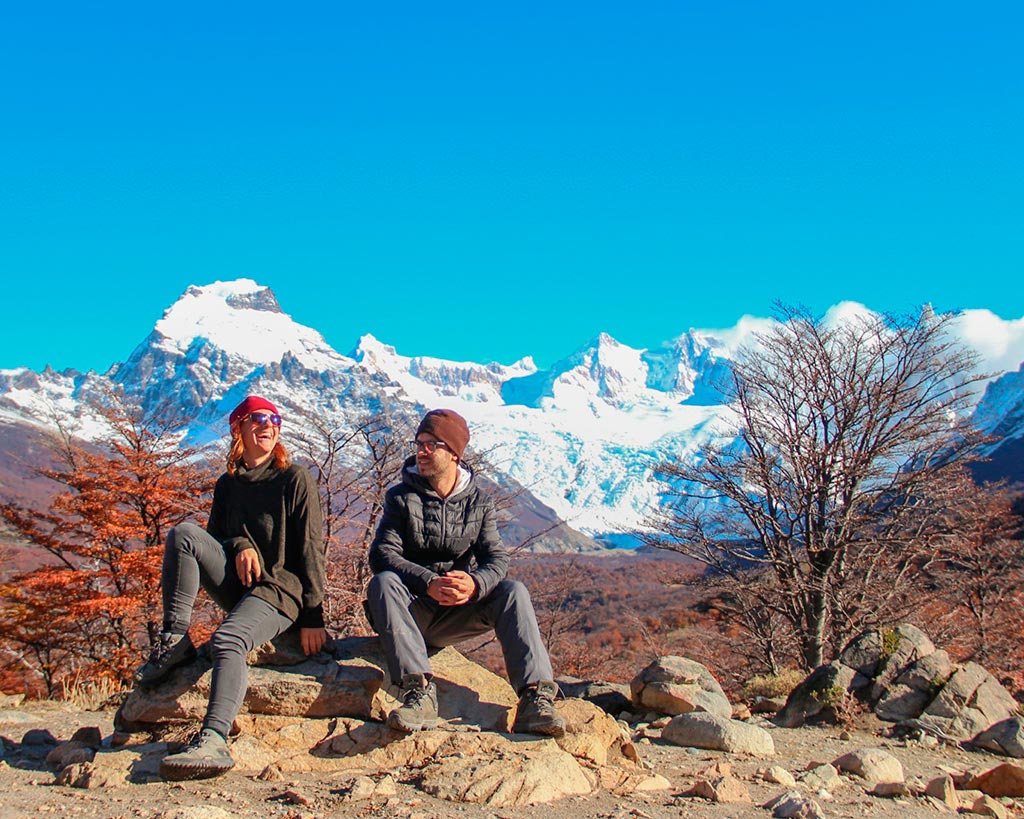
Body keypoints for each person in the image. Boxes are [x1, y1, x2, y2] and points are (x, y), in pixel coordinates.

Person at [134, 395, 327, 780]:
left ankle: (214, 739)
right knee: (184, 534)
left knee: (227, 641)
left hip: (279, 592)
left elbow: (310, 547)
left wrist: (313, 616)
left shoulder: (294, 478)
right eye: (258, 418)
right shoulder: (229, 483)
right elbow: (216, 537)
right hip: (240, 584)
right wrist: (238, 545)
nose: (268, 425)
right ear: (238, 427)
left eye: (274, 419)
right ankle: (174, 642)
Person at [366, 408, 566, 737]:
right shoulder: (400, 498)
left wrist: (475, 584)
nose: (422, 450)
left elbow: (496, 559)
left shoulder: (479, 503)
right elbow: (382, 554)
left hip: (454, 612)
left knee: (513, 591)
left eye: (432, 444)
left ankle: (535, 700)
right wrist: (428, 582)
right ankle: (418, 692)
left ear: (455, 453)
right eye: (419, 443)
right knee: (383, 582)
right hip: (409, 608)